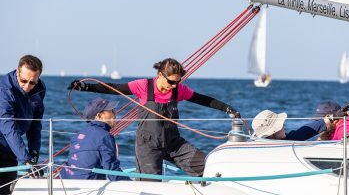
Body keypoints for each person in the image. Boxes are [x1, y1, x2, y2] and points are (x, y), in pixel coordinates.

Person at [68, 58, 240, 180]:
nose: (174, 86)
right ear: (160, 75)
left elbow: (202, 99)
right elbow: (113, 88)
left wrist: (227, 108)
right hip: (148, 146)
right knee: (151, 187)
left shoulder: (178, 90)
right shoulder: (144, 86)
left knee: (209, 169)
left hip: (174, 143)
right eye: (171, 82)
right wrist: (85, 86)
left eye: (177, 82)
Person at [0, 55, 46, 194]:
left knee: (7, 189)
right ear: (17, 72)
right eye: (23, 80)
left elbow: (35, 125)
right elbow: (7, 125)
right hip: (5, 137)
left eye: (32, 82)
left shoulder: (40, 88)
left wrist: (33, 154)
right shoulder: (4, 90)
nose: (27, 86)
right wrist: (25, 159)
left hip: (11, 148)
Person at [60, 97, 129, 181]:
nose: (115, 113)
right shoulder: (105, 136)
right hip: (90, 185)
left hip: (70, 181)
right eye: (111, 111)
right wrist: (133, 185)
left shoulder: (79, 134)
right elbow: (112, 173)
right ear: (99, 116)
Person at [252, 109, 331, 141]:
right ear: (272, 134)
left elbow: (305, 130)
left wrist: (332, 118)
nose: (283, 126)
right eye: (280, 125)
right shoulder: (281, 145)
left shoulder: (285, 139)